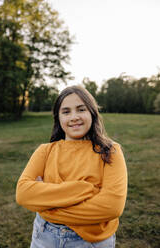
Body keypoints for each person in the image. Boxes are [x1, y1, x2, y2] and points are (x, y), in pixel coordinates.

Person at [16, 85, 127, 248]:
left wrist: (48, 206)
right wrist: (84, 189)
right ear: (58, 117)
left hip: (91, 242)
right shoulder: (45, 151)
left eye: (81, 109)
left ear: (92, 113)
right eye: (66, 112)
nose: (74, 117)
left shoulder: (110, 152)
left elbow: (111, 207)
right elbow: (23, 194)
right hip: (44, 236)